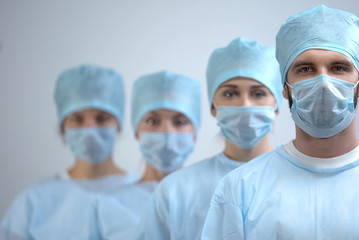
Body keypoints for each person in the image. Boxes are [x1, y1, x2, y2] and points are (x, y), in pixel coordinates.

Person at [202, 5, 359, 240]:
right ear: (285, 88)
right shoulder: (240, 190)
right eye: (305, 69)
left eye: (338, 68)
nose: (323, 82)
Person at [133, 36, 284, 240]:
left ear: (276, 103)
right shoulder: (176, 190)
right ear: (213, 106)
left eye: (258, 94)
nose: (245, 105)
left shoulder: (298, 181)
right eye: (230, 94)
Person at [0, 64, 135, 239]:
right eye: (77, 119)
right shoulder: (32, 203)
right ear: (63, 128)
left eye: (102, 118)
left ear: (119, 125)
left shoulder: (151, 198)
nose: (90, 130)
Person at [96, 70, 201, 239]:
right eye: (153, 121)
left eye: (180, 121)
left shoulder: (215, 201)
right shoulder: (108, 205)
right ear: (137, 130)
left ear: (194, 132)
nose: (167, 133)